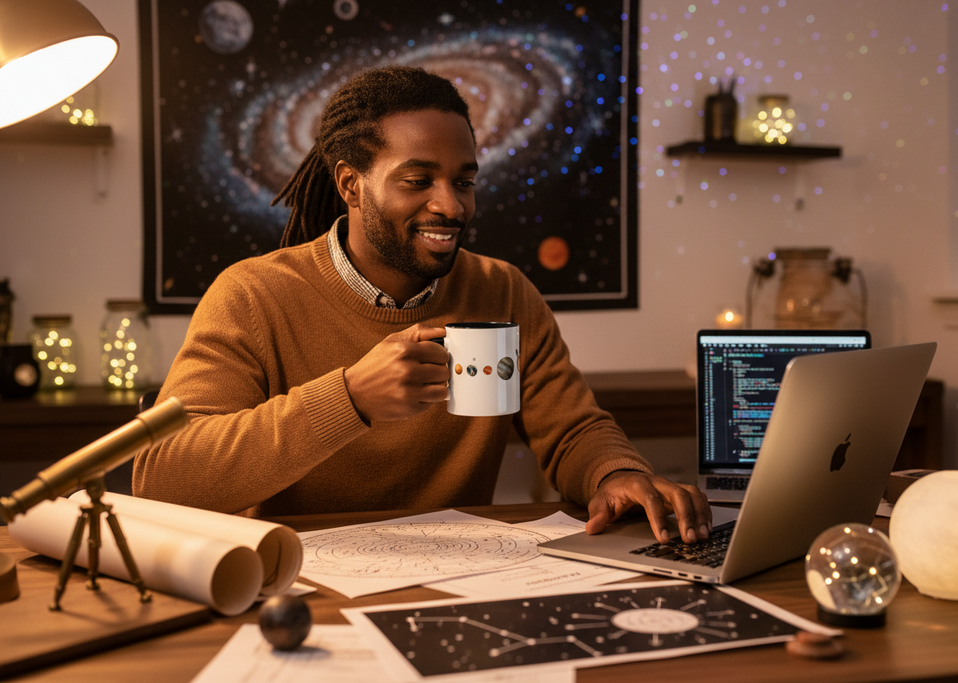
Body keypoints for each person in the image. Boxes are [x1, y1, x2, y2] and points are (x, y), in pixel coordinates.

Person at [133, 66, 712, 545]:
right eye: (418, 180)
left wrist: (616, 473)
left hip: (466, 578)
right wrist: (350, 399)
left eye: (464, 182)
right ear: (351, 184)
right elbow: (163, 475)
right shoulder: (253, 295)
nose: (452, 206)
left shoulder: (503, 290)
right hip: (302, 590)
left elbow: (572, 429)